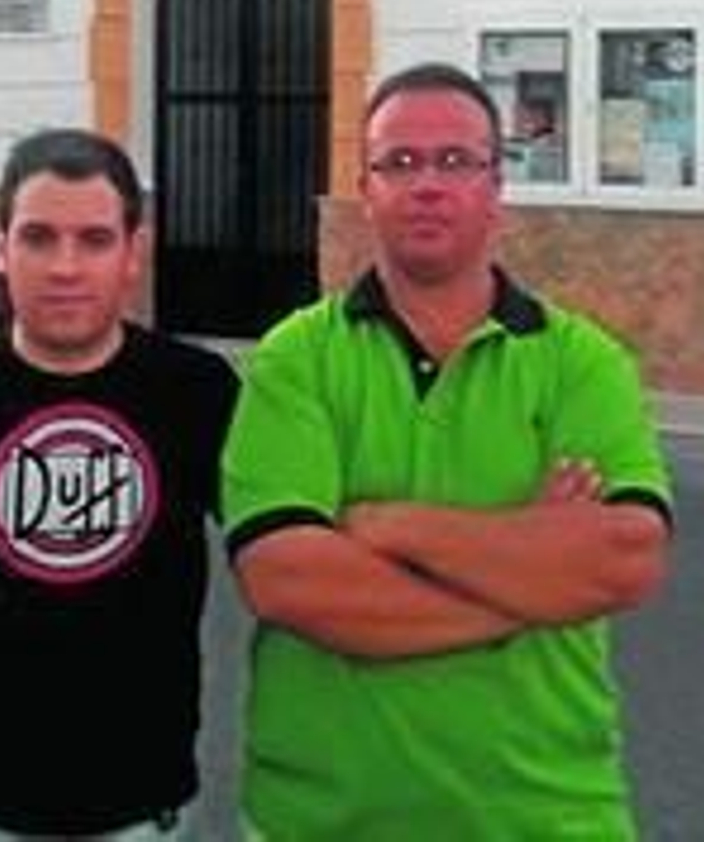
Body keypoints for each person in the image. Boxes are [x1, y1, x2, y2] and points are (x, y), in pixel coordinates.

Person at [223, 61, 673, 839]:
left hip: (547, 816)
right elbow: (290, 581)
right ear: (366, 189)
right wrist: (531, 579)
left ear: (497, 187)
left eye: (455, 160)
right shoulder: (295, 357)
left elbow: (623, 560)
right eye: (399, 162)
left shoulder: (582, 361)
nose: (427, 183)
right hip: (322, 820)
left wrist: (395, 526)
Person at [0, 128, 239, 840]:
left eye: (95, 239)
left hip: (133, 812)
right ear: (1, 249)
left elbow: (283, 553)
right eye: (40, 237)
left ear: (133, 252)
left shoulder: (197, 392)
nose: (65, 266)